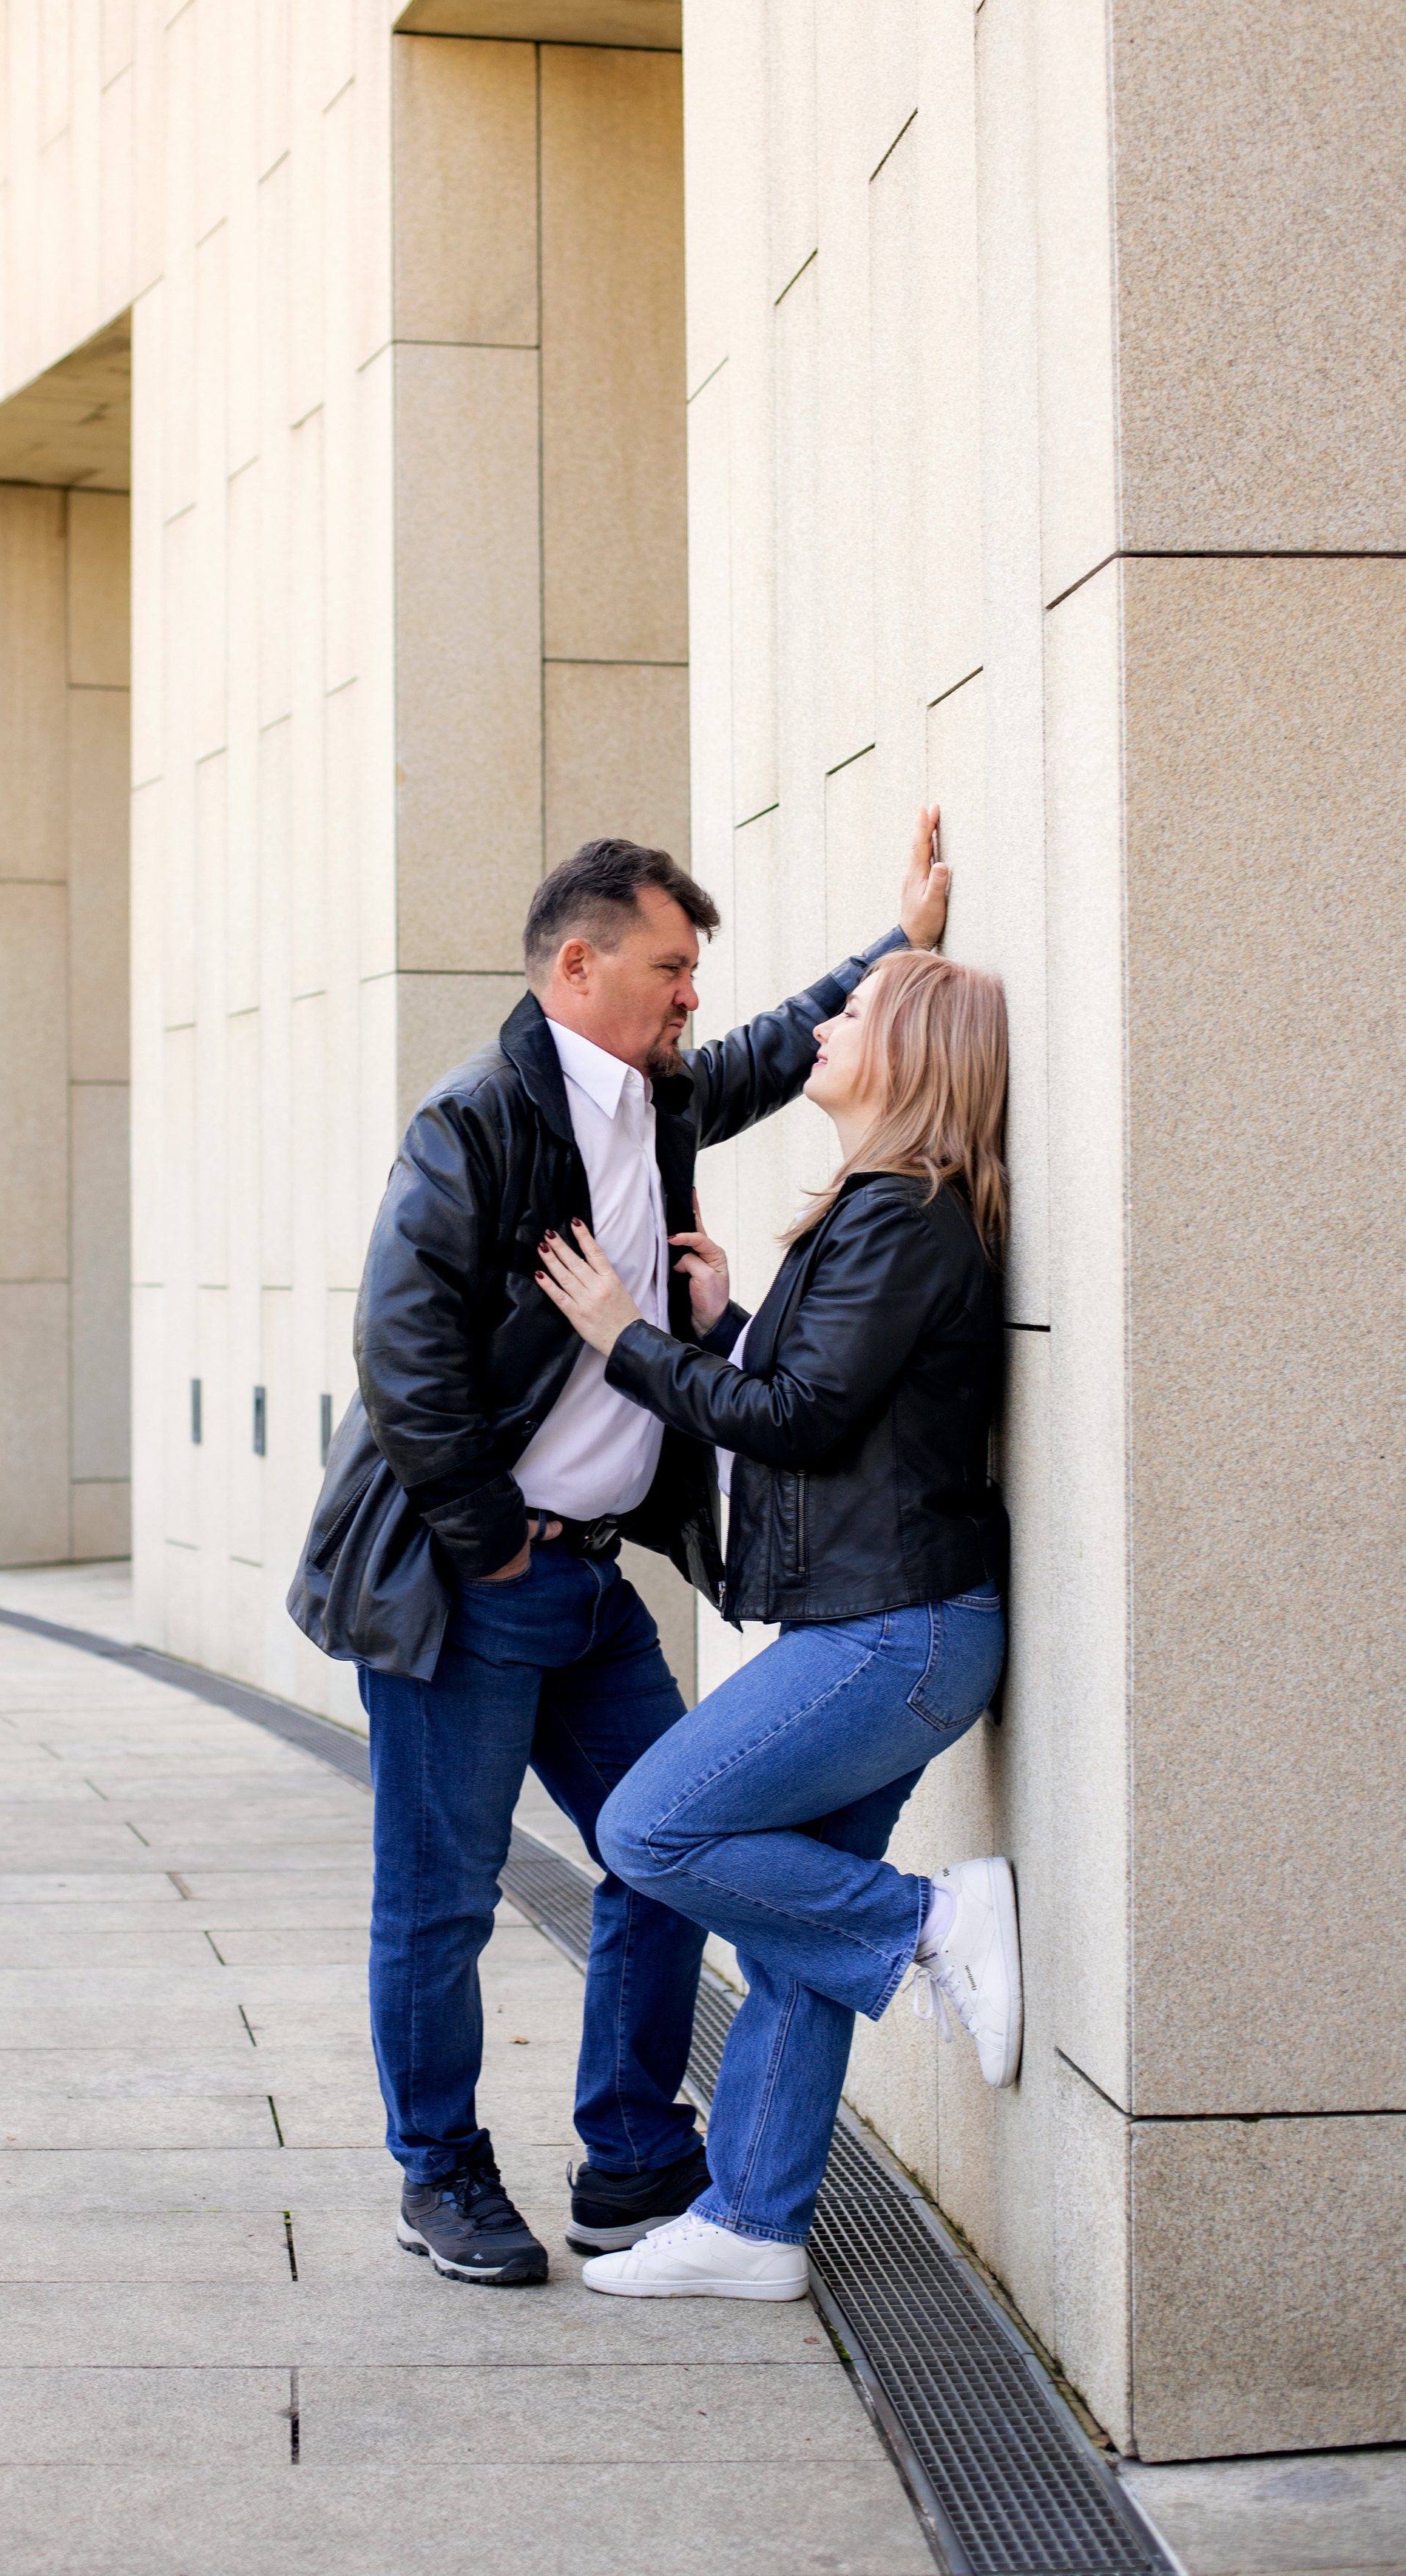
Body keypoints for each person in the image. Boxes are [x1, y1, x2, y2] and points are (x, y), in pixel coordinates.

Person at [288, 815, 953, 2286]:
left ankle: (633, 2154)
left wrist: (896, 949)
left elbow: (776, 1050)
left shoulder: (651, 1100)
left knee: (665, 1850)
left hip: (589, 1584)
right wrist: (490, 1546)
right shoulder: (477, 1117)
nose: (688, 997)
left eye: (691, 970)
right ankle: (440, 2177)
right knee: (440, 1902)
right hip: (477, 1586)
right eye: (667, 966)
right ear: (577, 964)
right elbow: (403, 1355)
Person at [533, 946, 1021, 2301]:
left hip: (892, 1633)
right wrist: (724, 1322)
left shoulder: (907, 1214)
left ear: (914, 1055)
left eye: (855, 1011)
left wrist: (629, 1337)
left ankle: (928, 1920)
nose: (826, 1023)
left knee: (649, 1828)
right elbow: (835, 1399)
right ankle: (754, 2223)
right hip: (880, 1623)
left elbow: (800, 1422)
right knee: (799, 1933)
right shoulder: (881, 1209)